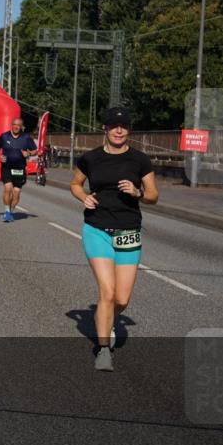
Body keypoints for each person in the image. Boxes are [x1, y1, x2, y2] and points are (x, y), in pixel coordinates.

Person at [69, 107, 157, 372]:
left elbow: (153, 195)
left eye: (124, 126)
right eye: (114, 125)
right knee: (107, 292)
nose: (119, 130)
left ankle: (105, 319)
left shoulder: (140, 160)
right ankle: (104, 349)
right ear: (104, 129)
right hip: (97, 229)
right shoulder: (91, 158)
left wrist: (138, 192)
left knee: (121, 299)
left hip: (128, 231)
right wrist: (84, 197)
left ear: (129, 130)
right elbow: (75, 184)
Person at [0, 117, 37, 222]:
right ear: (11, 125)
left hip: (20, 168)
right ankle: (7, 212)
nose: (16, 127)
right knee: (8, 188)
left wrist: (29, 153)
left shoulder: (26, 138)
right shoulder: (4, 136)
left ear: (21, 127)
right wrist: (0, 156)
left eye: (18, 125)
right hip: (6, 167)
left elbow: (35, 151)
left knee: (16, 193)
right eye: (14, 125)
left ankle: (11, 211)